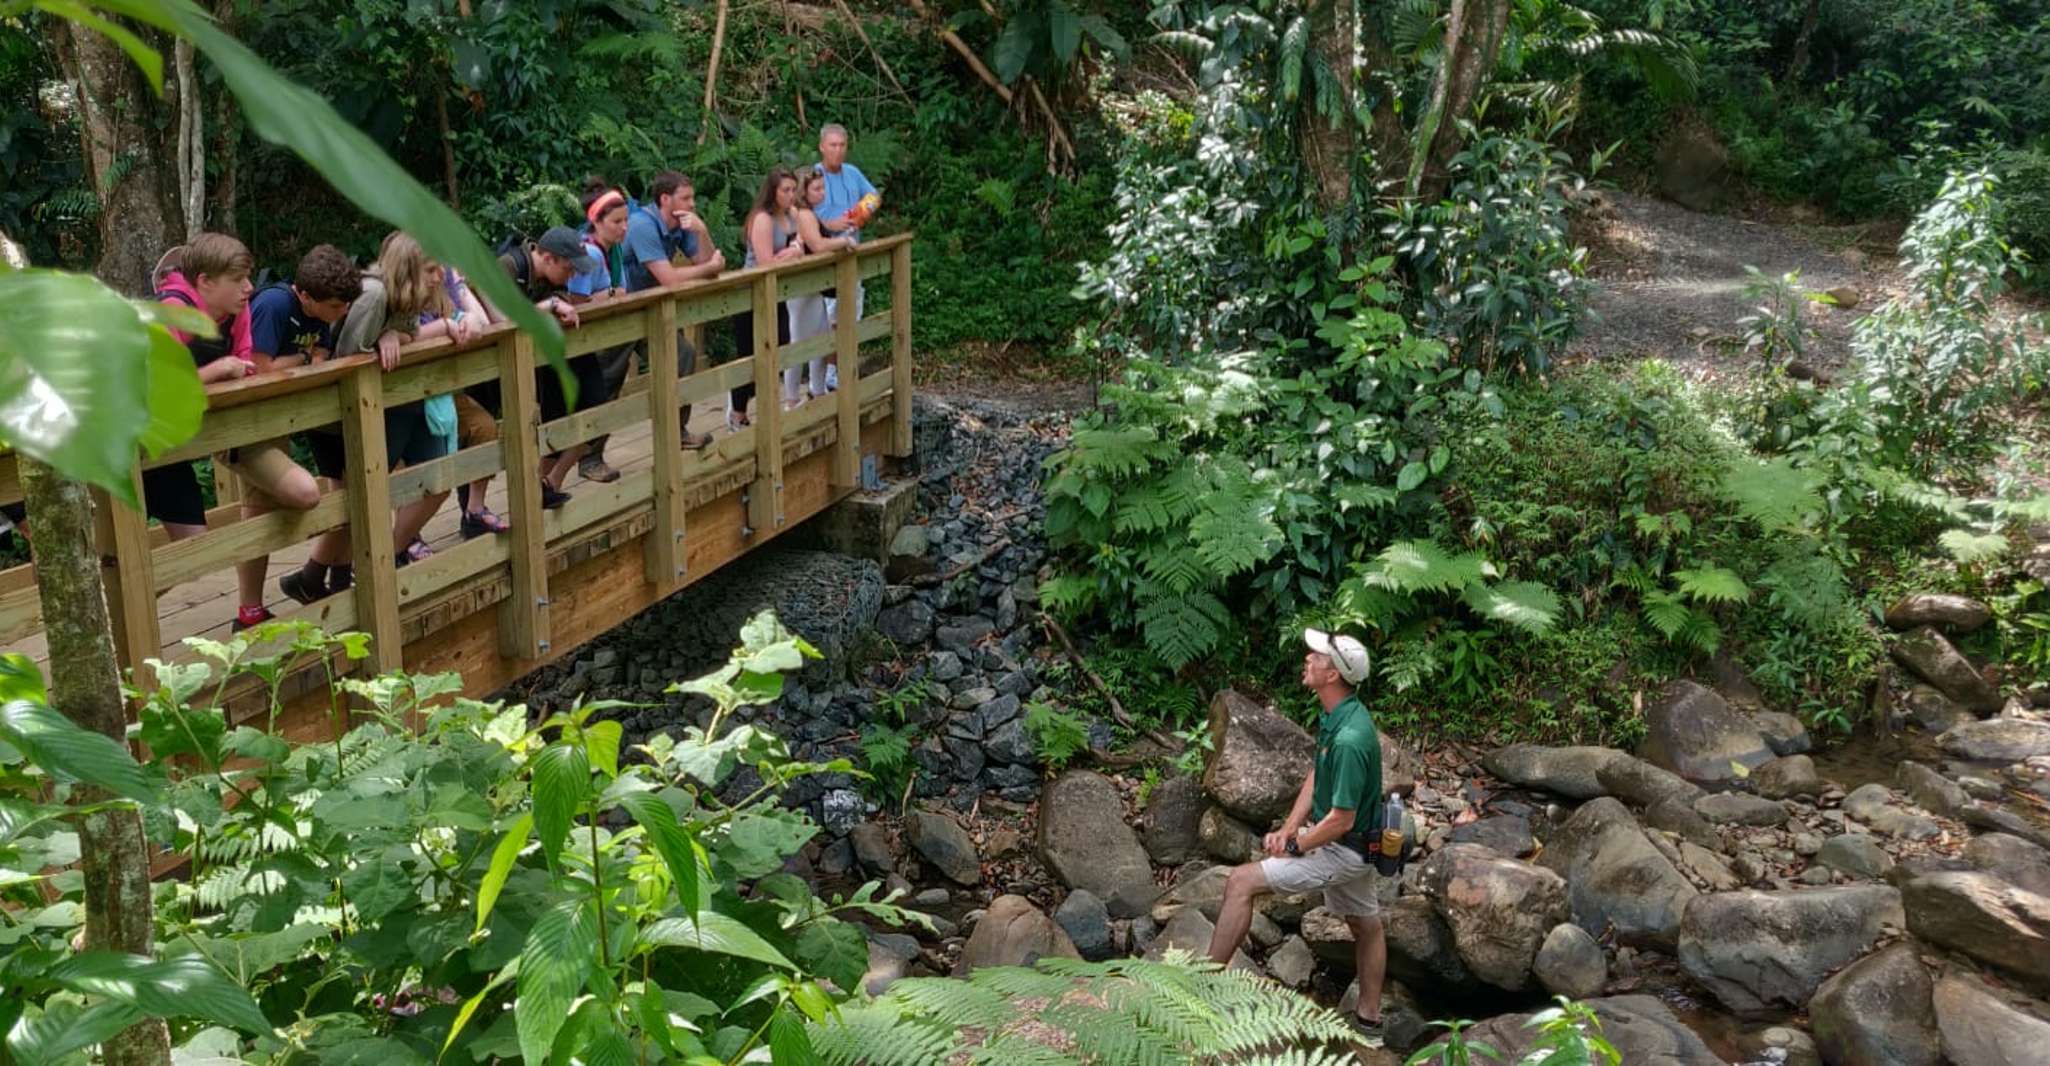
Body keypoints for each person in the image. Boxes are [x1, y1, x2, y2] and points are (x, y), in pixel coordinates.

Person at [1207, 629, 1387, 1048]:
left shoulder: (1349, 739)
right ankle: (1371, 1025)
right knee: (1368, 927)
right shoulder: (1340, 715)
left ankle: (1200, 993)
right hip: (1354, 844)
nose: (1308, 657)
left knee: (1240, 883)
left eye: (1318, 656)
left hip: (1343, 849)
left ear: (1334, 674)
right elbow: (1315, 774)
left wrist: (1294, 846)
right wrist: (1291, 825)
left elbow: (1340, 820)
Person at [148, 234, 323, 632]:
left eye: (248, 278)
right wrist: (215, 372)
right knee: (176, 548)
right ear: (206, 281)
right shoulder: (170, 313)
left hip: (210, 432)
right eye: (239, 279)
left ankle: (250, 608)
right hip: (140, 441)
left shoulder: (236, 312)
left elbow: (244, 369)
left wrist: (228, 373)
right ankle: (108, 611)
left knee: (193, 548)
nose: (250, 288)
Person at [244, 244, 360, 618]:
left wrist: (299, 362)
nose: (341, 315)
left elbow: (322, 357)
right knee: (269, 506)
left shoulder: (320, 314)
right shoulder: (274, 307)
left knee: (263, 508)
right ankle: (252, 606)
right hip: (250, 423)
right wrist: (304, 360)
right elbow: (260, 368)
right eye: (335, 308)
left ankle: (255, 607)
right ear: (306, 296)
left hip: (285, 420)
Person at [480, 226, 592, 507]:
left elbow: (561, 299)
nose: (573, 274)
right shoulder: (509, 266)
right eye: (569, 267)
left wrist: (560, 303)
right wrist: (550, 305)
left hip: (522, 361)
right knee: (483, 433)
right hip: (483, 364)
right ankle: (474, 511)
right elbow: (503, 319)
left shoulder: (549, 280)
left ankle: (536, 491)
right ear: (549, 258)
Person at [621, 170, 725, 448]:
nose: (692, 204)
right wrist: (709, 267)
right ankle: (589, 457)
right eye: (686, 198)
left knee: (683, 355)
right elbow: (670, 278)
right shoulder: (643, 225)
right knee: (606, 387)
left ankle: (676, 432)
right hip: (617, 311)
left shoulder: (682, 225)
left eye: (693, 197)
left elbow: (709, 263)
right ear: (665, 199)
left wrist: (702, 231)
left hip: (649, 309)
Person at [566, 180, 634, 483]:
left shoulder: (614, 250)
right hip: (588, 342)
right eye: (616, 222)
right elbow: (576, 302)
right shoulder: (590, 254)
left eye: (626, 221)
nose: (623, 228)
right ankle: (588, 458)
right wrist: (611, 296)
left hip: (611, 333)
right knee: (599, 394)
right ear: (596, 222)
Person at [731, 166, 804, 428]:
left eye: (794, 190)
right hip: (750, 293)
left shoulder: (793, 214)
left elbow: (801, 241)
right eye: (785, 190)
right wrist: (791, 252)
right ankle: (737, 412)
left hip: (777, 292)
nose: (791, 195)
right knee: (749, 354)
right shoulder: (762, 219)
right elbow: (765, 262)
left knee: (781, 343)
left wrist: (794, 250)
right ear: (772, 192)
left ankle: (769, 407)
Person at [813, 122, 880, 391]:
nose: (838, 151)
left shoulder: (852, 173)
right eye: (833, 145)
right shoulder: (814, 176)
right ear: (822, 147)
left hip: (852, 252)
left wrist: (861, 213)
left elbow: (874, 195)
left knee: (851, 315)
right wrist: (830, 224)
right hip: (825, 256)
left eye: (842, 146)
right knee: (829, 320)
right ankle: (823, 377)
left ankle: (838, 371)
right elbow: (803, 210)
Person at [789, 168, 853, 405]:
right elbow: (817, 244)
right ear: (803, 191)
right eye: (817, 189)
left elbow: (823, 231)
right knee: (799, 342)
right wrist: (843, 241)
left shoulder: (812, 213)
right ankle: (792, 399)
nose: (822, 193)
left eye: (824, 187)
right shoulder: (804, 214)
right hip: (801, 286)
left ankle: (817, 391)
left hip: (813, 284)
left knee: (822, 336)